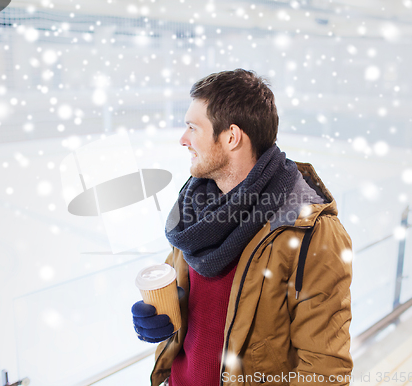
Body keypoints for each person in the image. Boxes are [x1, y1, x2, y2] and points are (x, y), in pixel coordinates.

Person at [132, 69, 353, 386]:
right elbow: (199, 302)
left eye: (193, 128)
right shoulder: (195, 208)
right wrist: (163, 314)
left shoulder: (312, 233)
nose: (183, 139)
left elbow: (324, 368)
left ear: (231, 137)